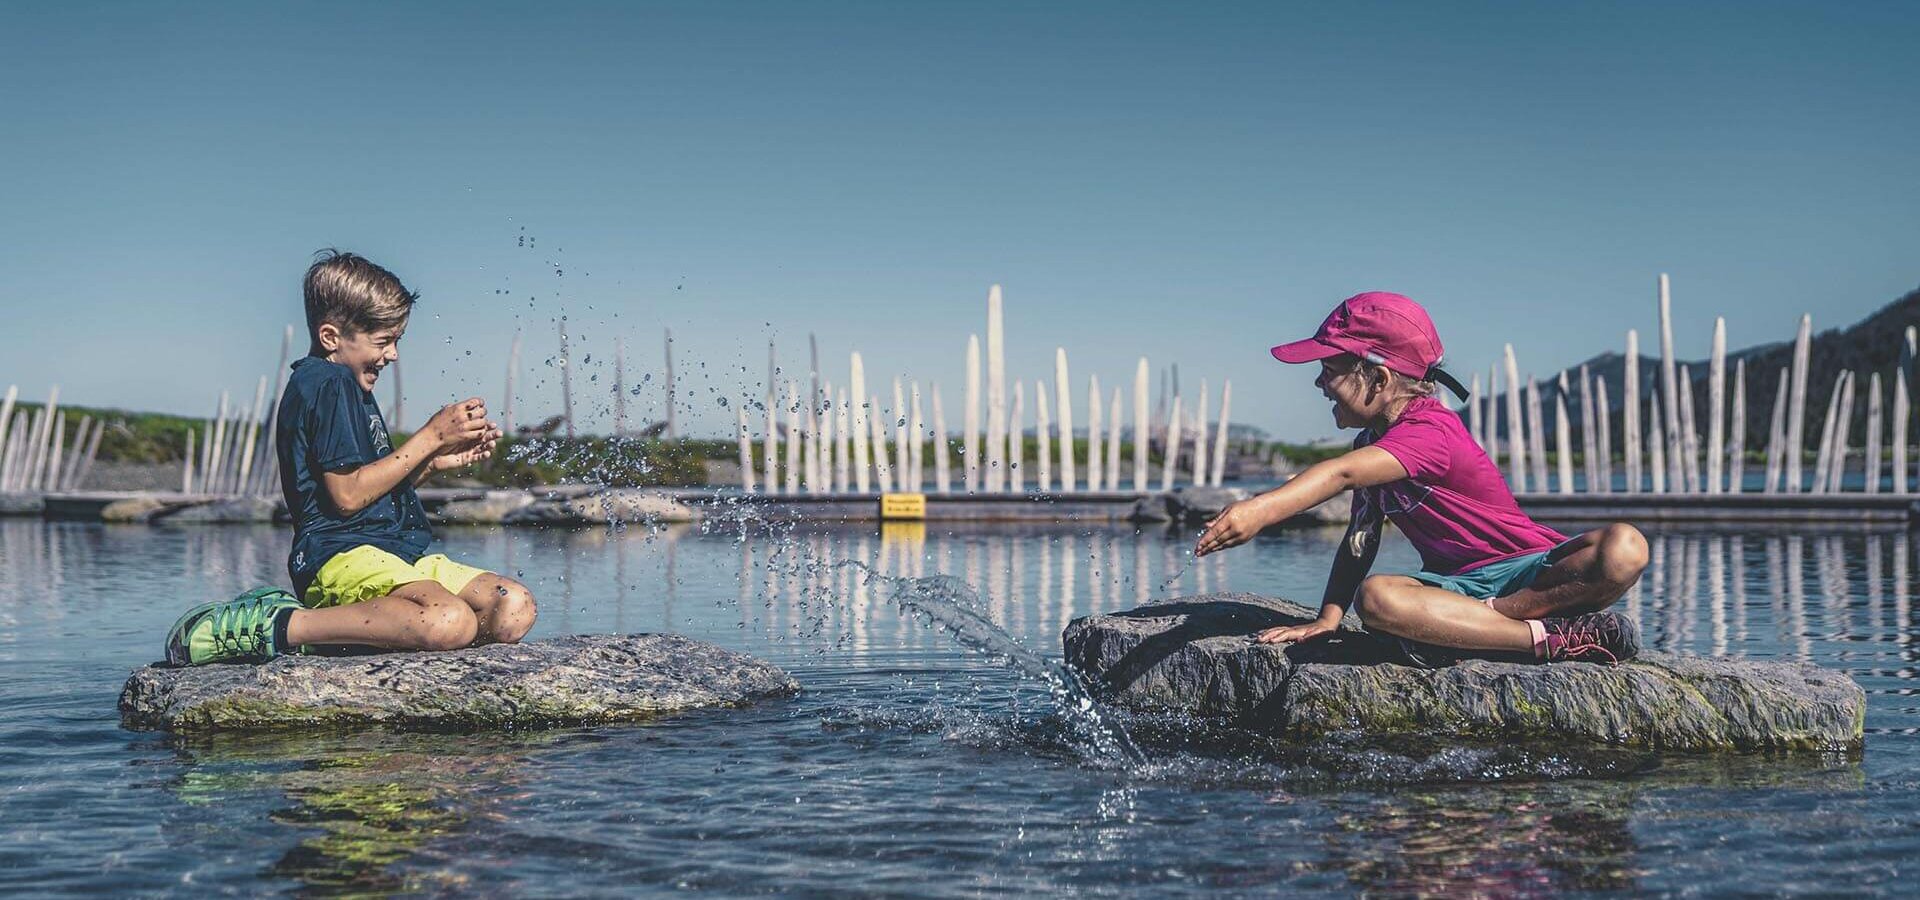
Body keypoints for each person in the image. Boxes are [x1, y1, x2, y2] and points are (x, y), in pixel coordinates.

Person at [1194, 291, 1647, 664]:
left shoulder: (1430, 430)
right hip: (1454, 587)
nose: (1318, 384)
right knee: (1376, 599)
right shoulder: (1373, 442)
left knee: (1626, 547)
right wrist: (1329, 618)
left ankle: (1474, 628)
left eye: (1329, 371)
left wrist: (1260, 509)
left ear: (1378, 379)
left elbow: (1342, 474)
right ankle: (1541, 638)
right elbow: (1359, 541)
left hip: (1527, 574)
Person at [165, 250, 537, 665]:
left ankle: (370, 632)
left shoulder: (351, 387)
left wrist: (432, 462)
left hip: (395, 553)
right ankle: (278, 625)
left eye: (396, 341)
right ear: (331, 337)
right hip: (341, 556)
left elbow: (367, 493)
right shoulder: (328, 383)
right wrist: (431, 435)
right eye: (383, 342)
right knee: (447, 620)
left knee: (513, 608)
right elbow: (345, 496)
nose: (393, 354)